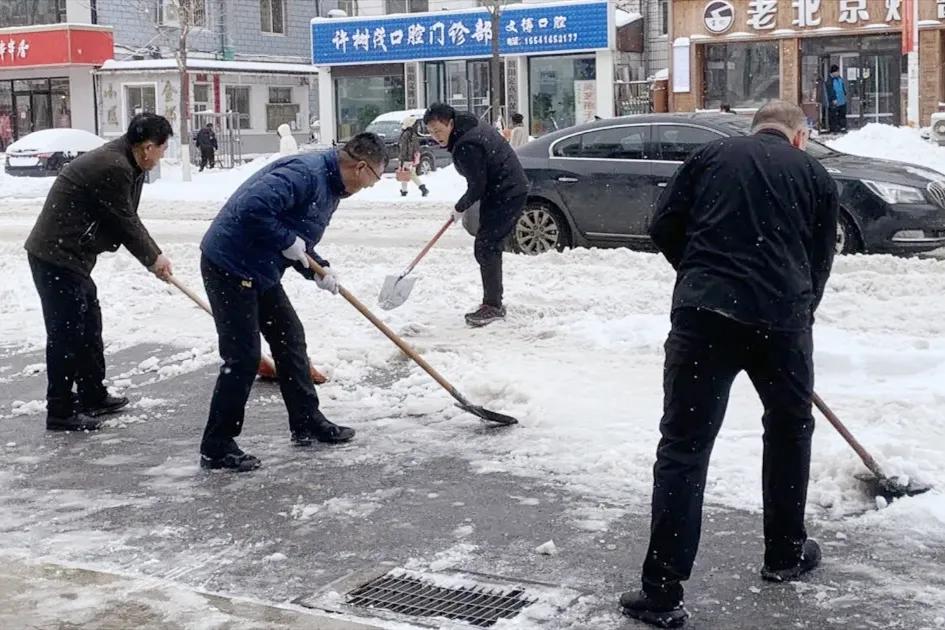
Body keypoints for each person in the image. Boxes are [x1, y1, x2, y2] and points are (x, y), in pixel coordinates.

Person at [620, 101, 839, 628]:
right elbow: (820, 257)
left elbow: (663, 224)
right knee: (789, 431)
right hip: (781, 322)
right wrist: (796, 307)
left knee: (685, 447)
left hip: (704, 319)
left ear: (756, 127)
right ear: (797, 135)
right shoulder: (813, 173)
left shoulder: (711, 155)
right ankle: (784, 554)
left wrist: (700, 275)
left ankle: (663, 591)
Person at [197, 133, 388, 472]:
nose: (372, 185)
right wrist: (290, 244)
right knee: (242, 356)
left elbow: (296, 232)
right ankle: (217, 445)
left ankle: (306, 420)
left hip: (261, 267)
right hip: (230, 264)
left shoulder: (331, 185)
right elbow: (252, 208)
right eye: (375, 177)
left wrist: (317, 268)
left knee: (289, 338)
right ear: (360, 167)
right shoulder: (306, 173)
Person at [24, 113, 175, 432]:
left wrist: (153, 255)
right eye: (163, 149)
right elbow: (125, 221)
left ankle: (92, 393)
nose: (163, 156)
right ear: (148, 147)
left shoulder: (128, 162)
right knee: (66, 333)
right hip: (55, 256)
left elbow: (126, 218)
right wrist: (153, 258)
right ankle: (60, 411)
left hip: (72, 256)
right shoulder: (114, 167)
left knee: (89, 322)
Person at [422, 103, 528, 327]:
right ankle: (493, 302)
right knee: (487, 245)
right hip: (503, 187)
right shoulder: (466, 125)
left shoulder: (466, 145)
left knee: (487, 246)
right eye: (431, 132)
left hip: (506, 191)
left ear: (450, 123)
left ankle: (493, 306)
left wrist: (460, 207)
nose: (436, 137)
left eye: (439, 131)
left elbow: (477, 185)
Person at [397, 115, 429, 198]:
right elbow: (415, 147)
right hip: (411, 158)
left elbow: (403, 148)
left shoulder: (405, 134)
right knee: (408, 174)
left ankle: (422, 188)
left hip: (406, 158)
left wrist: (402, 160)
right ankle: (404, 190)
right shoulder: (413, 134)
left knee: (408, 174)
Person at [825, 64, 847, 133]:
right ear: (833, 72)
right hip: (834, 101)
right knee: (834, 115)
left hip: (842, 100)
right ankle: (834, 128)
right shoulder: (829, 81)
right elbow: (830, 91)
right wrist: (833, 99)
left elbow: (842, 86)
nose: (838, 73)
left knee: (842, 114)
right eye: (837, 72)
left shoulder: (839, 78)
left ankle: (842, 127)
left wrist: (844, 92)